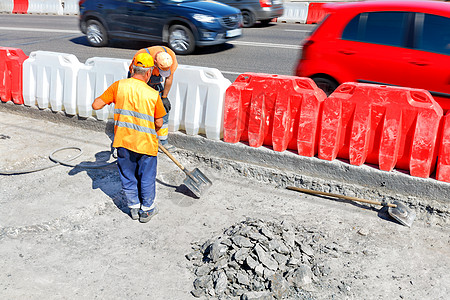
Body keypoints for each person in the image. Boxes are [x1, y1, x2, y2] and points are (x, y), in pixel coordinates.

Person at [92, 52, 166, 223]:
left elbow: (96, 104)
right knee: (146, 177)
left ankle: (133, 207)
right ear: (149, 73)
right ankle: (146, 210)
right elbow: (160, 123)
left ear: (131, 68)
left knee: (127, 176)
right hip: (146, 145)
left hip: (123, 143)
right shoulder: (153, 95)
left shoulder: (118, 86)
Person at [129, 46, 178, 150]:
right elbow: (134, 75)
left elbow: (169, 78)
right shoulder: (142, 56)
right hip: (139, 80)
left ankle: (162, 143)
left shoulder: (171, 56)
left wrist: (164, 97)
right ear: (154, 62)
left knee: (163, 111)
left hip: (155, 82)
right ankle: (130, 143)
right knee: (138, 111)